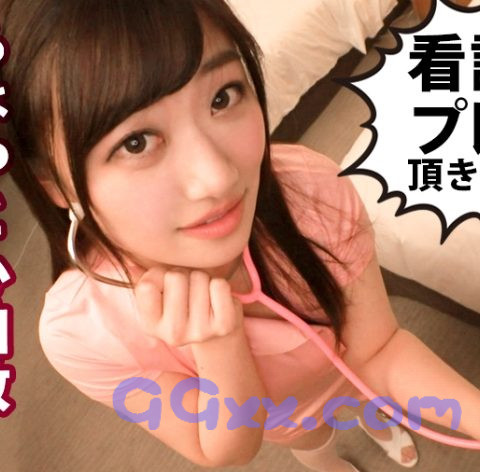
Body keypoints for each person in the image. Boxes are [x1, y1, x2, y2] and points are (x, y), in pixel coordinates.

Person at [1, 1, 479, 470]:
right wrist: (218, 345)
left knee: (371, 400)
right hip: (287, 418)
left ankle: (378, 420)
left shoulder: (312, 192)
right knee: (315, 445)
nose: (218, 178)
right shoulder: (81, 332)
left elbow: (378, 350)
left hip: (357, 369)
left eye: (222, 97)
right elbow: (227, 450)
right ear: (55, 185)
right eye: (136, 142)